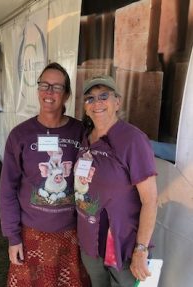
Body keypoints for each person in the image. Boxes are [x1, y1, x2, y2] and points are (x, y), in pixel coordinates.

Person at [0, 62, 90, 287]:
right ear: (38, 89)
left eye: (57, 87)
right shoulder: (20, 135)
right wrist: (13, 237)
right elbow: (7, 190)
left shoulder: (82, 133)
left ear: (67, 94)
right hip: (32, 235)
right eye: (44, 85)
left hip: (74, 235)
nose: (49, 92)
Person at [74, 75, 158, 287]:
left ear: (117, 102)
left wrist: (141, 249)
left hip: (121, 246)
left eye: (104, 96)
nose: (97, 103)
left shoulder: (133, 140)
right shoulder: (85, 138)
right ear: (85, 107)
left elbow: (150, 200)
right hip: (91, 243)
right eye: (90, 98)